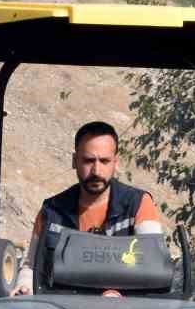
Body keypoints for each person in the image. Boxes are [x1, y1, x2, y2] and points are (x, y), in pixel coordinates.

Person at [11, 120, 166, 297]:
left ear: (116, 162)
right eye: (88, 160)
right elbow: (31, 266)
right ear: (74, 161)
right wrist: (24, 286)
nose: (96, 170)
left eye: (105, 161)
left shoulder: (139, 205)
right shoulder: (51, 211)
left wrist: (116, 293)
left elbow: (154, 266)